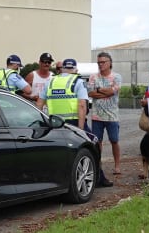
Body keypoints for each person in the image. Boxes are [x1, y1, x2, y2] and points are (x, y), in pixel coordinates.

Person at [38, 57, 112, 187]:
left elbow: (39, 104)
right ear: (75, 69)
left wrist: (39, 122)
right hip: (73, 123)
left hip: (54, 123)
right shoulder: (77, 81)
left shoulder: (51, 81)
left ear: (63, 69)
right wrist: (81, 128)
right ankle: (98, 178)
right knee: (92, 146)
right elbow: (82, 105)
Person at [88, 51, 122, 177]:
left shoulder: (116, 77)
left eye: (103, 62)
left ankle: (117, 165)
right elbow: (90, 94)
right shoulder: (93, 77)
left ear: (110, 63)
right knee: (98, 142)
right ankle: (98, 165)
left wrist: (99, 90)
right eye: (99, 62)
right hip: (97, 115)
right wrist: (105, 91)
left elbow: (112, 92)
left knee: (114, 140)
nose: (100, 65)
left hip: (112, 116)